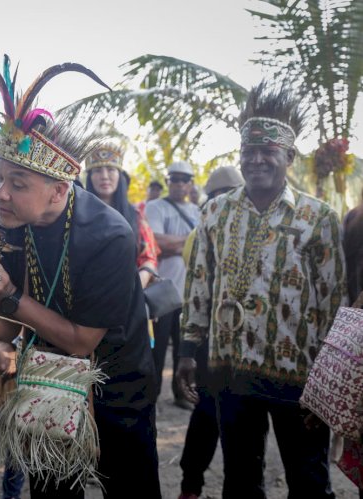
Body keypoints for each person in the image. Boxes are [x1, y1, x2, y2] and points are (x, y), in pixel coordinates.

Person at [0, 57, 159, 499]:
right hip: (43, 383)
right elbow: (8, 325)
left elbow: (80, 342)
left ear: (59, 190)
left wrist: (14, 295)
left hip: (115, 389)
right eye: (0, 178)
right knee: (52, 492)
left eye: (17, 183)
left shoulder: (109, 235)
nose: (0, 193)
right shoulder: (0, 220)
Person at [176, 83, 346, 499]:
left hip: (300, 379)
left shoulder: (318, 217)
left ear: (288, 157)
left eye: (267, 151)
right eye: (248, 151)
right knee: (239, 480)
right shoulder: (215, 211)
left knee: (308, 481)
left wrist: (328, 379)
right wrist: (186, 351)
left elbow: (333, 300)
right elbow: (200, 284)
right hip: (231, 371)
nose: (256, 160)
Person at [177, 165, 243, 499]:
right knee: (207, 417)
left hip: (244, 346)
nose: (225, 202)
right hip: (210, 342)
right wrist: (188, 349)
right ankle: (190, 486)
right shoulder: (201, 232)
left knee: (238, 429)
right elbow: (198, 292)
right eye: (219, 197)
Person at [145, 160, 200, 409]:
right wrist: (190, 241)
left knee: (184, 349)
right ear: (168, 182)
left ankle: (181, 394)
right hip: (162, 292)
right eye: (174, 179)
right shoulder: (155, 207)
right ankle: (151, 397)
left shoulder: (197, 212)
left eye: (184, 179)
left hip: (189, 294)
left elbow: (202, 247)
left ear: (191, 184)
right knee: (156, 351)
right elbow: (156, 244)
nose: (179, 184)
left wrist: (176, 244)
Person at [85, 145, 160, 288]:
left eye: (111, 169)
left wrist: (134, 289)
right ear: (90, 177)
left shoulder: (136, 216)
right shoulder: (76, 214)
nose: (105, 176)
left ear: (120, 175)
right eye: (98, 170)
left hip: (130, 292)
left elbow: (149, 258)